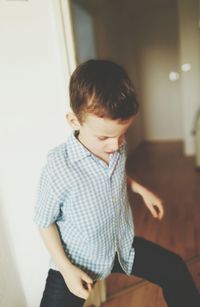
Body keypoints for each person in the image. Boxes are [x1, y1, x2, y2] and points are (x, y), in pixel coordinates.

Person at [33, 59, 200, 307]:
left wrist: (141, 190)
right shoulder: (59, 167)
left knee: (174, 269)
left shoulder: (115, 147)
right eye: (104, 137)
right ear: (74, 121)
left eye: (123, 135)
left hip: (119, 247)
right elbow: (43, 222)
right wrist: (67, 270)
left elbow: (115, 174)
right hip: (77, 258)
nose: (116, 145)